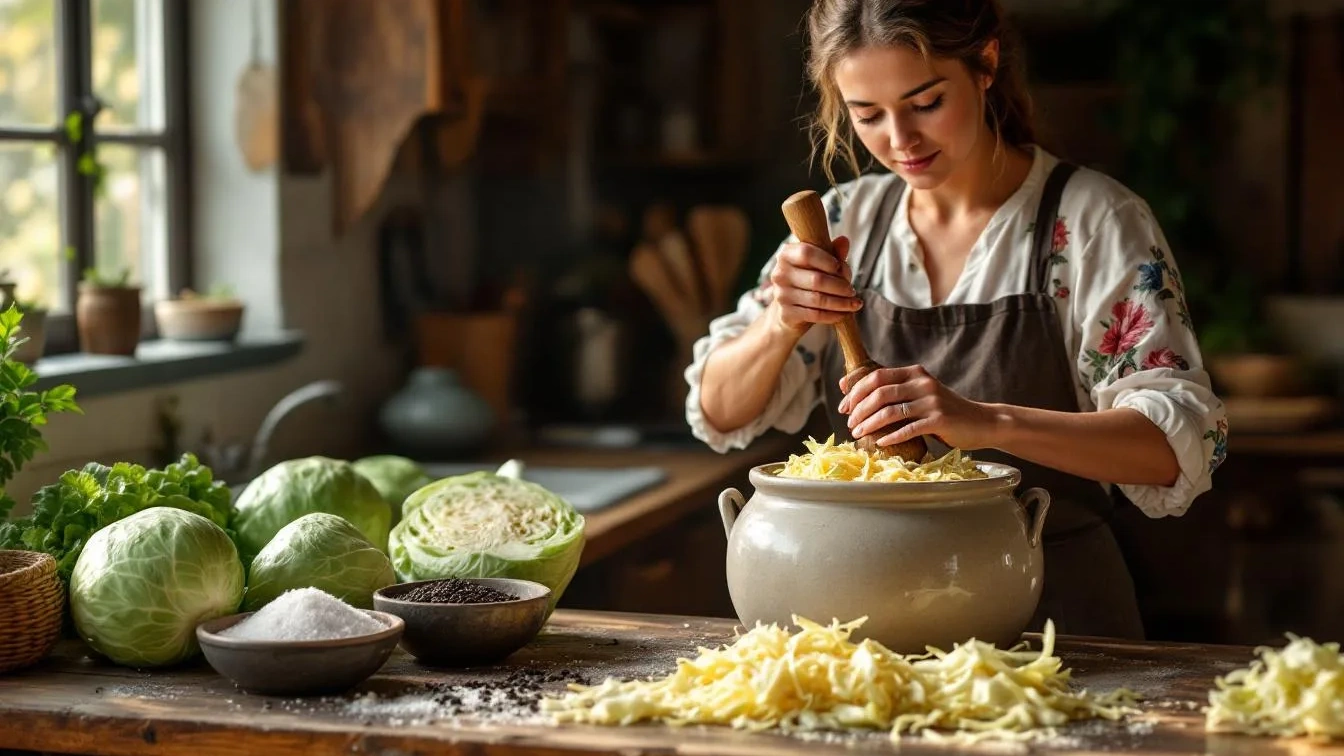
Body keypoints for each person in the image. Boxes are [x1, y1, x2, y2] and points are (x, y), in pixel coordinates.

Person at [684, 0, 1227, 639]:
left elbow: (1174, 449)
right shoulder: (847, 224)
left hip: (1060, 623)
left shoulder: (1093, 222)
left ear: (986, 63)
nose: (900, 140)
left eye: (926, 102)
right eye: (868, 115)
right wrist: (781, 322)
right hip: (864, 624)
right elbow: (720, 410)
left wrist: (982, 420)